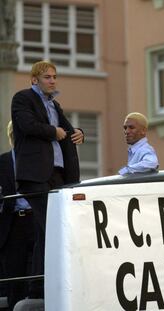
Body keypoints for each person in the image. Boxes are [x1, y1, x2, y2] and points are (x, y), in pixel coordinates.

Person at [11, 60, 84, 298]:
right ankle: (41, 287)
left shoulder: (55, 105)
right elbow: (27, 125)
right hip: (35, 175)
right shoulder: (23, 99)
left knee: (49, 229)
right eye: (47, 77)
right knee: (50, 227)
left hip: (57, 174)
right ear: (34, 80)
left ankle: (39, 287)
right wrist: (54, 132)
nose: (53, 81)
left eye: (54, 77)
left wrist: (78, 133)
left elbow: (67, 129)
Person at [0, 121, 35, 310]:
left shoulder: (39, 161)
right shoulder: (2, 162)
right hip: (12, 224)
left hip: (36, 221)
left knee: (37, 277)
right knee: (15, 278)